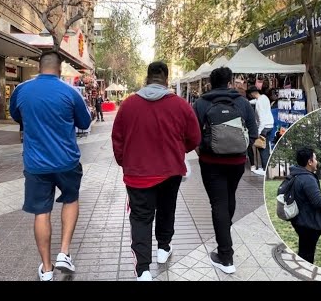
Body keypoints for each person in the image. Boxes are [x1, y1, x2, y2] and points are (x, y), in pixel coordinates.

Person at [112, 61, 201, 281]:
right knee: (166, 209)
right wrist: (178, 150)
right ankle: (163, 248)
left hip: (138, 173)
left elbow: (118, 140)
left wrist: (125, 162)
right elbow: (195, 138)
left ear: (147, 78)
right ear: (166, 79)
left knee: (141, 218)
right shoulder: (180, 105)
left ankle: (143, 270)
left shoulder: (128, 105)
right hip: (171, 171)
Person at [9, 50, 91, 281]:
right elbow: (84, 122)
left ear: (38, 67)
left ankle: (46, 269)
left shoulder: (21, 91)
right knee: (71, 199)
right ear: (59, 69)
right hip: (66, 161)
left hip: (36, 165)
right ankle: (64, 252)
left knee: (41, 212)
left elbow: (17, 116)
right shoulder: (70, 92)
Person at [193, 67, 257, 274]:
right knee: (228, 198)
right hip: (237, 162)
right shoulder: (243, 103)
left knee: (219, 203)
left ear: (211, 83)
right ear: (230, 83)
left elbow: (193, 135)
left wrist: (201, 150)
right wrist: (242, 150)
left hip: (211, 162)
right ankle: (225, 236)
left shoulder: (201, 103)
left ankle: (225, 256)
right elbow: (253, 133)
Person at [288, 147, 321, 264]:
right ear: (309, 162)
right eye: (315, 159)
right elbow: (319, 202)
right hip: (308, 224)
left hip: (300, 221)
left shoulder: (297, 174)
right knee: (307, 257)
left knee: (303, 252)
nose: (317, 161)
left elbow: (307, 198)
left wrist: (319, 195)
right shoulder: (307, 178)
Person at [247, 86, 274, 176]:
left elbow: (261, 119)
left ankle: (263, 169)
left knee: (262, 148)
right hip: (270, 125)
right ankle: (264, 168)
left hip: (264, 127)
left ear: (252, 94)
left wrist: (258, 132)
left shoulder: (259, 103)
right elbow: (255, 101)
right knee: (265, 147)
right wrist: (247, 102)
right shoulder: (264, 97)